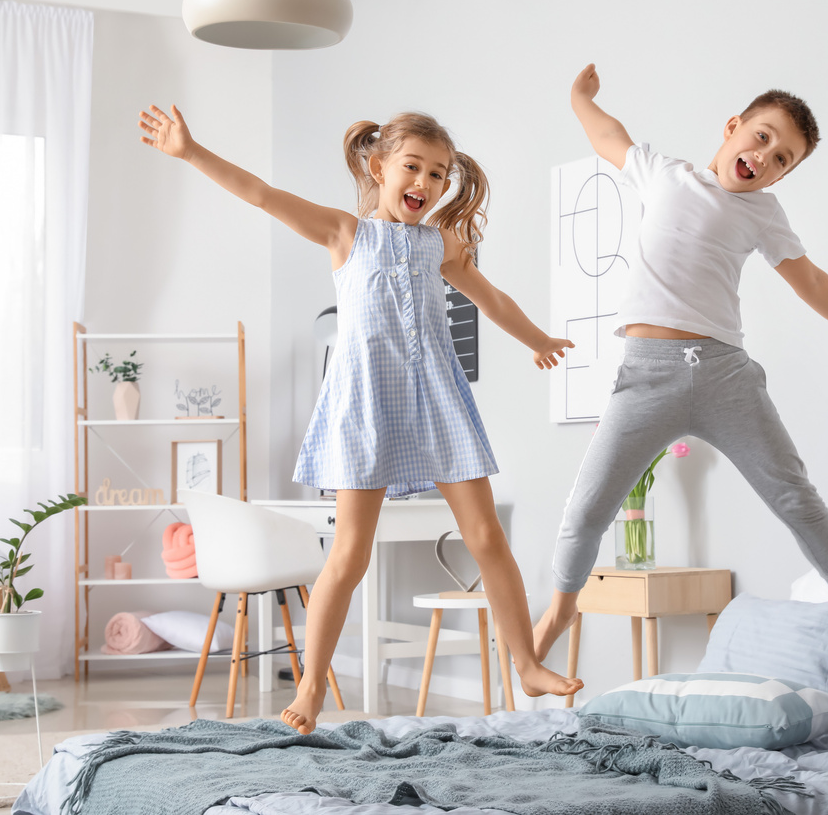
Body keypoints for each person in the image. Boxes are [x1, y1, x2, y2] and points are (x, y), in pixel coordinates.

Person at [139, 105, 584, 734]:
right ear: (379, 168)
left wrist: (538, 339)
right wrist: (191, 151)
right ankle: (315, 685)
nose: (425, 184)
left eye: (439, 174)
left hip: (437, 398)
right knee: (349, 554)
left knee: (486, 537)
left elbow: (492, 299)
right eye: (413, 167)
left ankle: (527, 661)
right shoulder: (345, 233)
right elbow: (262, 195)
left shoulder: (441, 244)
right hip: (366, 404)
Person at [533, 65, 828, 663]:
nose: (766, 158)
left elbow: (810, 280)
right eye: (763, 138)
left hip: (724, 374)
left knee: (793, 493)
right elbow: (608, 136)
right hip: (646, 375)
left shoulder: (763, 214)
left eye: (784, 159)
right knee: (587, 508)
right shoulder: (665, 175)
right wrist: (578, 98)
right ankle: (560, 610)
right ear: (733, 127)